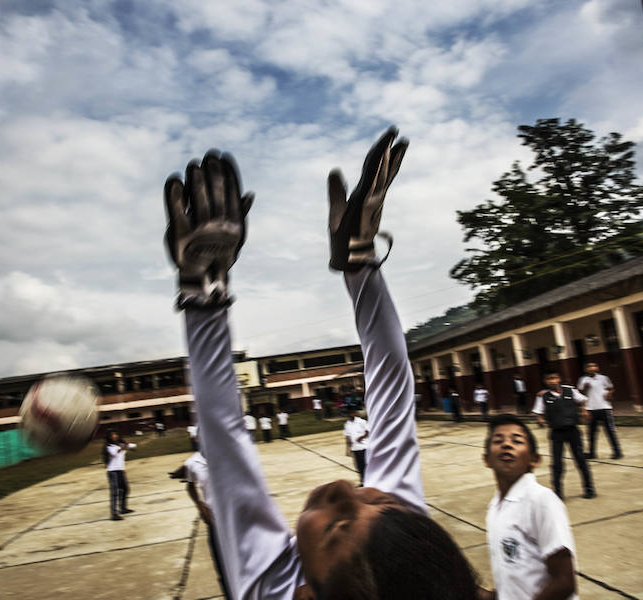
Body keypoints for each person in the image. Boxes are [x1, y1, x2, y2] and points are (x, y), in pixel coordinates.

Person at [161, 128, 480, 598]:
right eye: (375, 499)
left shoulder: (271, 589)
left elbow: (224, 434)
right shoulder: (404, 552)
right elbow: (393, 386)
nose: (345, 488)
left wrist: (202, 287)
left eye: (337, 528)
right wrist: (360, 260)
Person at [483, 414, 580, 600]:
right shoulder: (495, 508)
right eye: (498, 440)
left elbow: (565, 581)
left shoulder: (541, 500)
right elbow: (514, 583)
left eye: (517, 441)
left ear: (534, 459)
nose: (506, 445)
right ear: (486, 459)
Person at [174, 452, 233, 599]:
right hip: (214, 521)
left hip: (235, 519)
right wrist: (200, 506)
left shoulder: (227, 453)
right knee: (222, 567)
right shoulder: (193, 462)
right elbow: (190, 486)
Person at [533, 371, 596, 499]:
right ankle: (558, 493)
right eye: (549, 379)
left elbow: (583, 400)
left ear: (559, 379)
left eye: (554, 378)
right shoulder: (543, 396)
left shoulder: (570, 391)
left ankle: (589, 489)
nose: (552, 381)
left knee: (581, 460)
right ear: (546, 381)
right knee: (557, 463)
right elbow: (538, 411)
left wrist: (584, 411)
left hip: (573, 430)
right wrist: (540, 419)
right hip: (556, 433)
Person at [577, 362, 622, 460]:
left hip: (604, 407)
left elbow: (611, 388)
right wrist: (583, 409)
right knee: (591, 433)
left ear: (597, 368)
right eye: (589, 366)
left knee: (610, 431)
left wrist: (609, 393)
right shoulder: (583, 380)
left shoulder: (603, 378)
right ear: (586, 369)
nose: (592, 368)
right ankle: (592, 453)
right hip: (590, 409)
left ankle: (617, 452)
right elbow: (580, 393)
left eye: (594, 366)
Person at [103, 430, 137, 520]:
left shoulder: (120, 444)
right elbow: (115, 453)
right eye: (112, 435)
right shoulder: (109, 446)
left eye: (115, 434)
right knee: (115, 492)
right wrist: (123, 447)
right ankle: (113, 514)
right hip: (112, 471)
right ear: (109, 437)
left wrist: (127, 445)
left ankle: (123, 508)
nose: (114, 436)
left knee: (125, 489)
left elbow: (134, 446)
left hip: (121, 470)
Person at [344, 410, 369, 485]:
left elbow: (368, 432)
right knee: (359, 466)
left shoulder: (362, 422)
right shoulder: (347, 424)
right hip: (355, 448)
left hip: (364, 447)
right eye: (347, 414)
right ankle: (363, 481)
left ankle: (370, 480)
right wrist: (348, 449)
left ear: (354, 413)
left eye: (350, 413)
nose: (349, 415)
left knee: (366, 465)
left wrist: (361, 437)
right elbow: (347, 436)